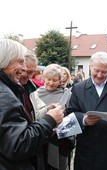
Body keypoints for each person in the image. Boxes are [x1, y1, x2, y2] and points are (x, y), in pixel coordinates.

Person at [0, 39, 64, 170]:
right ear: (5, 61)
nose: (24, 68)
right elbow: (17, 146)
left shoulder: (11, 89)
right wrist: (49, 120)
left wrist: (44, 126)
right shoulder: (4, 95)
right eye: (20, 62)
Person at [30, 64, 72, 170]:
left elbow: (71, 115)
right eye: (48, 79)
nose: (51, 83)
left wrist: (60, 128)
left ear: (60, 81)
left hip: (61, 139)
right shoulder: (36, 94)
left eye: (55, 80)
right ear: (44, 78)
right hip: (41, 138)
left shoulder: (67, 94)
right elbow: (33, 115)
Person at [19, 50, 39, 121]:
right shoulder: (6, 91)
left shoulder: (32, 87)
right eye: (28, 72)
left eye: (33, 72)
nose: (30, 77)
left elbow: (35, 113)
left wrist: (47, 111)